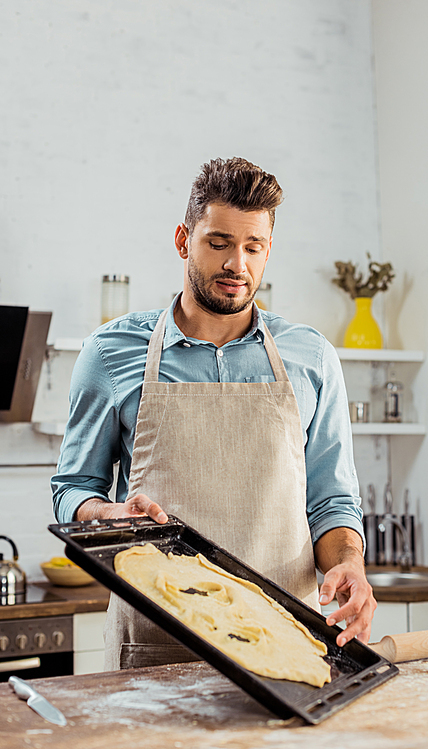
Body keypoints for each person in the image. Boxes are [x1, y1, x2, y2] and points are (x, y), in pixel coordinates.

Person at [52, 157, 376, 670]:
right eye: (219, 243)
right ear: (184, 240)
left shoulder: (310, 356)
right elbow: (72, 489)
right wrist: (108, 514)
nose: (237, 266)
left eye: (254, 247)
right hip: (155, 644)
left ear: (269, 250)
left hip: (284, 644)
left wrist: (350, 566)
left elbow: (331, 499)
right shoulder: (111, 352)